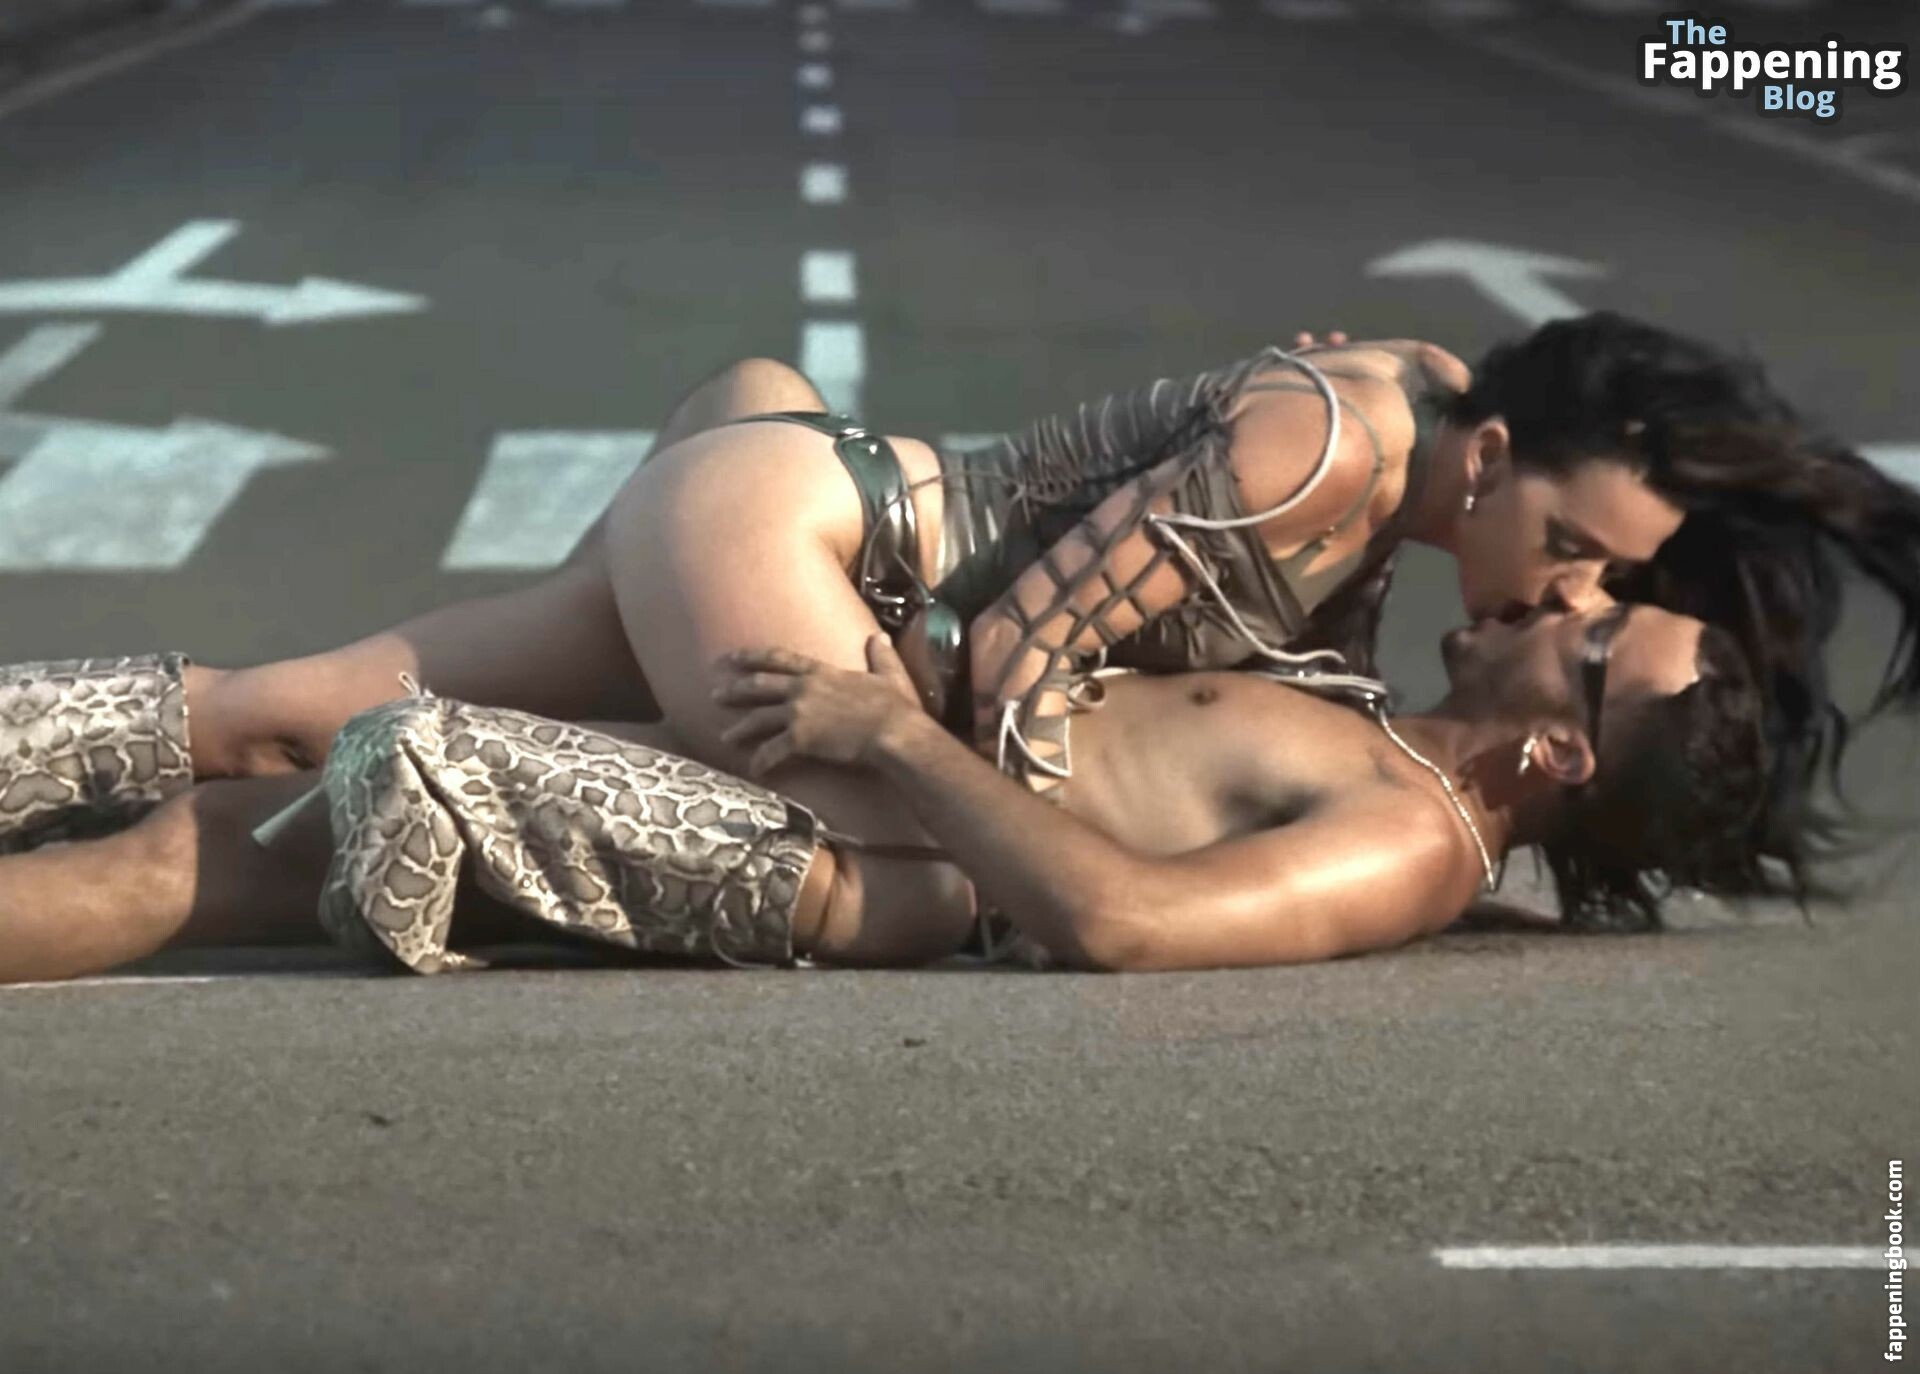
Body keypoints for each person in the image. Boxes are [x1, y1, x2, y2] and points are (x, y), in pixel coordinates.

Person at [2, 314, 1915, 929]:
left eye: (1605, 600)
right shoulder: (1330, 455)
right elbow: (1017, 667)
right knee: (352, 790)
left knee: (283, 722)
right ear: (1495, 455)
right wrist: (925, 763)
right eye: (1577, 554)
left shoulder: (1404, 400)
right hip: (836, 566)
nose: (1571, 591)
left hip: (788, 508)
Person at [0, 600, 1777, 982]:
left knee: (385, 763)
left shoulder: (1409, 841)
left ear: (1560, 752)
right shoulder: (1383, 723)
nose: (1569, 601)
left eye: (1595, 639)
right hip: (836, 784)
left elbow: (1127, 921)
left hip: (824, 852)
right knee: (206, 827)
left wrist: (900, 734)